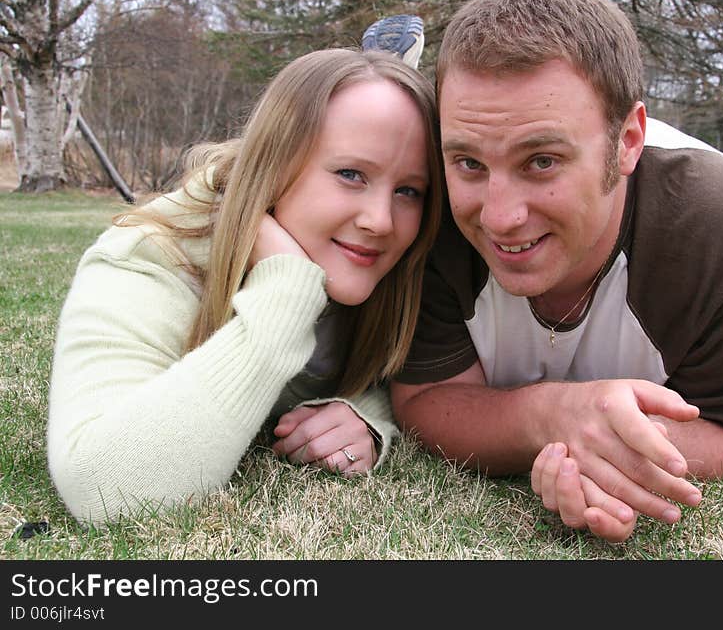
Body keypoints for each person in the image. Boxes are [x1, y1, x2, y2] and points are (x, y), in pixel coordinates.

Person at [390, 0, 723, 543]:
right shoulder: (427, 210)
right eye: (469, 162)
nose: (499, 216)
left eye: (542, 161)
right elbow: (425, 398)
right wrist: (553, 418)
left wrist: (601, 450)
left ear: (627, 140)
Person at [47, 48, 443, 524]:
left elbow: (410, 379)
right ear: (273, 166)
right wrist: (285, 296)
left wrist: (368, 410)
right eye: (350, 175)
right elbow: (106, 491)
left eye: (408, 191)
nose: (381, 221)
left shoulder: (404, 267)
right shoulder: (145, 258)